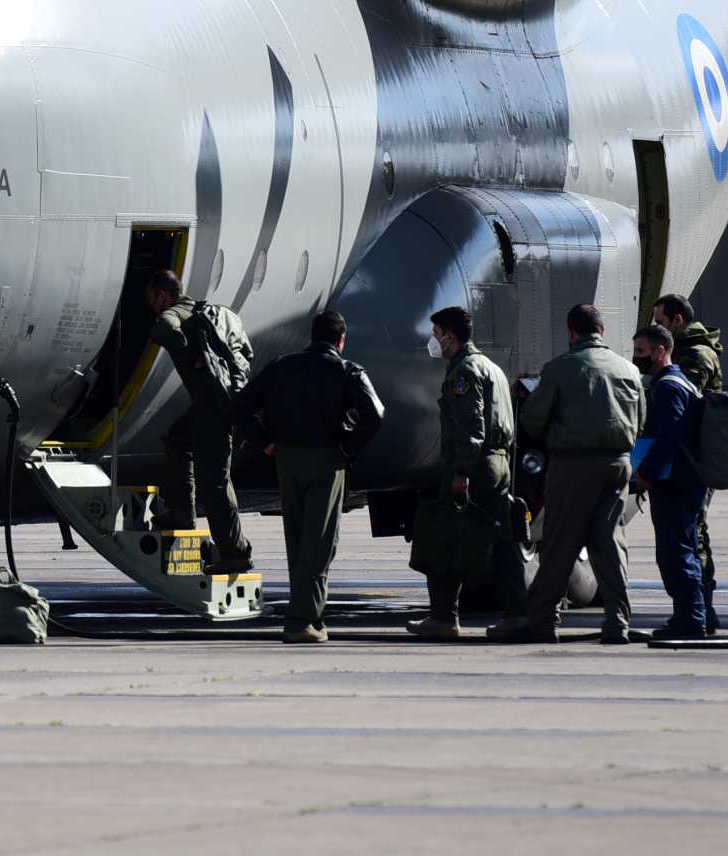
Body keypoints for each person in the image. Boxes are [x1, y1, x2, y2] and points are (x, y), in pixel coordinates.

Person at [493, 302, 642, 645]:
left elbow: (533, 419)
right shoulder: (628, 370)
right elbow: (641, 418)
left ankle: (544, 621)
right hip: (618, 464)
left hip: (573, 465)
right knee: (609, 544)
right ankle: (617, 622)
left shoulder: (560, 368)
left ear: (571, 332)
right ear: (601, 331)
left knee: (560, 543)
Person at [238, 309, 385, 643]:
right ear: (341, 340)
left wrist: (264, 441)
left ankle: (304, 613)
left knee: (298, 539)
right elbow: (374, 414)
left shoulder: (281, 366)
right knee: (319, 544)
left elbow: (241, 406)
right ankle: (303, 620)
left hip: (287, 460)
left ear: (312, 335)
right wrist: (348, 447)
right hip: (326, 460)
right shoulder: (347, 371)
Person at [407, 305, 527, 640]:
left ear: (450, 335)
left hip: (473, 465)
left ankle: (444, 617)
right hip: (497, 463)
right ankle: (518, 614)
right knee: (502, 542)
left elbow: (472, 427)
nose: (434, 341)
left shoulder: (465, 373)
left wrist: (461, 471)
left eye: (437, 334)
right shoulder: (491, 367)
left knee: (441, 536)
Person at [142, 270, 255, 574]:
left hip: (212, 408)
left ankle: (235, 552)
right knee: (177, 439)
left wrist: (184, 349)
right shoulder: (208, 310)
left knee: (215, 483)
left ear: (163, 296)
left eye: (151, 300)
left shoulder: (173, 313)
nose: (151, 307)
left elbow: (164, 330)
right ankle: (180, 511)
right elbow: (246, 350)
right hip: (218, 402)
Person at [631, 322, 715, 641]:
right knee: (678, 550)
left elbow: (669, 439)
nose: (638, 358)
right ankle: (688, 616)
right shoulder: (674, 382)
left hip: (676, 484)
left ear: (661, 351)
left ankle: (692, 619)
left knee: (677, 552)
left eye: (642, 352)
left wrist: (645, 474)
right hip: (680, 482)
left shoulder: (668, 387)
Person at [653, 292, 725, 631]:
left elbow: (684, 405)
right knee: (691, 533)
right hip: (690, 458)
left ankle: (701, 610)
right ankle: (700, 610)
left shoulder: (696, 355)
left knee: (692, 535)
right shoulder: (690, 350)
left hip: (693, 461)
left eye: (661, 322)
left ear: (677, 320)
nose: (657, 328)